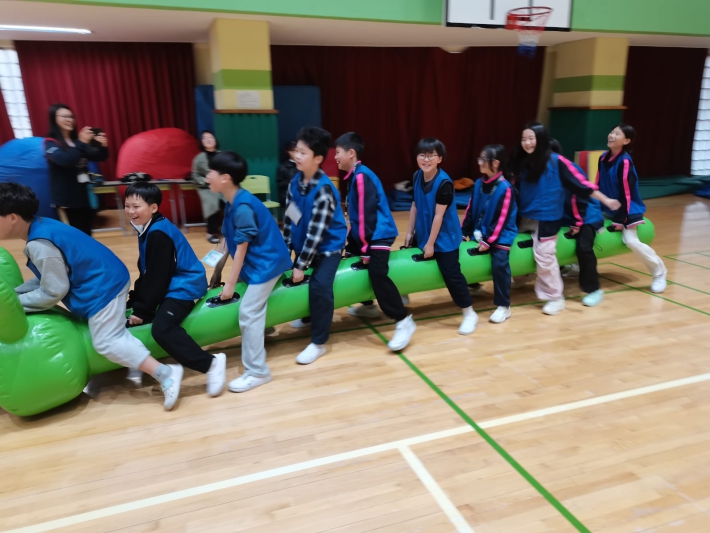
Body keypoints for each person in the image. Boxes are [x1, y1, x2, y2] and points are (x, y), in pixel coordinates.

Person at [0, 182, 182, 410]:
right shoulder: (41, 225)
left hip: (104, 285)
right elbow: (48, 276)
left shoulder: (39, 244)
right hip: (105, 277)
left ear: (13, 218)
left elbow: (53, 291)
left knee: (106, 342)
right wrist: (14, 294)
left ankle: (166, 373)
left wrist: (15, 305)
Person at [124, 182, 226, 396]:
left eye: (136, 206)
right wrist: (135, 301)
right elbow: (147, 271)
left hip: (185, 285)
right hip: (171, 282)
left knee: (162, 328)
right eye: (127, 206)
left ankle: (211, 364)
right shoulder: (146, 227)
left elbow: (158, 277)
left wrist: (143, 310)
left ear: (153, 208)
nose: (131, 211)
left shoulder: (158, 233)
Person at [507, 122, 621, 315]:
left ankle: (556, 297)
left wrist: (606, 200)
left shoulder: (557, 162)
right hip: (527, 215)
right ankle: (523, 276)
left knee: (546, 255)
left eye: (531, 138)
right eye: (524, 139)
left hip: (550, 218)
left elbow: (583, 186)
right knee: (513, 246)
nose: (527, 143)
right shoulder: (523, 162)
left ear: (541, 139)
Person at [208, 151, 293, 392]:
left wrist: (230, 283)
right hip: (256, 262)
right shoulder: (232, 201)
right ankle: (265, 328)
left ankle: (258, 371)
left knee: (247, 311)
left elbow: (242, 248)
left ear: (225, 178)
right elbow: (227, 239)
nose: (207, 176)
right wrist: (217, 272)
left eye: (211, 172)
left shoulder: (243, 206)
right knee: (251, 305)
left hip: (267, 263)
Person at [335, 132, 416, 351]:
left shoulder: (362, 176)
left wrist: (365, 249)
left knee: (377, 273)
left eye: (338, 152)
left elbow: (366, 216)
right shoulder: (354, 176)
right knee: (352, 260)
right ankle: (368, 305)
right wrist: (352, 242)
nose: (335, 157)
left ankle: (403, 320)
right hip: (365, 233)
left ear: (351, 153)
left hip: (379, 233)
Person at [283, 127, 348, 364]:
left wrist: (301, 265)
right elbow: (291, 219)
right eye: (297, 151)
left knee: (320, 286)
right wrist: (286, 250)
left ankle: (319, 343)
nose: (297, 156)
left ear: (318, 158)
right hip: (305, 243)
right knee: (294, 281)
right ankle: (309, 316)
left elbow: (316, 234)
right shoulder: (295, 183)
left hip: (327, 247)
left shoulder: (324, 191)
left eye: (303, 153)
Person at [405, 137, 477, 335]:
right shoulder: (417, 176)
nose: (426, 159)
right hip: (424, 231)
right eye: (422, 155)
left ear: (440, 159)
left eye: (431, 156)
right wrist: (410, 232)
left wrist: (430, 244)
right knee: (406, 259)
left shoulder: (444, 183)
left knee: (451, 274)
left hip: (445, 237)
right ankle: (403, 294)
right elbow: (414, 205)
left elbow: (439, 216)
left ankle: (469, 313)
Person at [597, 124, 667, 293]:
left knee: (630, 241)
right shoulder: (603, 157)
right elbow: (597, 183)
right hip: (607, 206)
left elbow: (626, 193)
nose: (611, 135)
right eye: (611, 132)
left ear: (626, 141)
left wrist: (620, 219)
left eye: (617, 134)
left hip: (628, 209)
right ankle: (574, 265)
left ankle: (659, 272)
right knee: (586, 227)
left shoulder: (625, 162)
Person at [461, 144, 517, 323]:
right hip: (480, 231)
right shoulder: (478, 183)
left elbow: (502, 218)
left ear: (496, 163)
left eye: (483, 159)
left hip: (501, 234)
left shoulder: (505, 188)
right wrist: (463, 232)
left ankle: (504, 306)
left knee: (500, 263)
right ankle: (474, 285)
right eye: (480, 158)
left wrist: (489, 240)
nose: (479, 162)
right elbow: (470, 209)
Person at [549, 139, 605, 307]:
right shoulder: (543, 171)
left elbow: (579, 198)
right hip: (564, 215)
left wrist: (577, 223)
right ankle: (565, 266)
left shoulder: (568, 169)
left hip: (586, 214)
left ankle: (594, 289)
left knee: (584, 247)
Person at [45, 103, 108, 236]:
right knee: (75, 235)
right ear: (54, 119)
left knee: (87, 232)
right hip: (67, 200)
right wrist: (82, 143)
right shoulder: (51, 142)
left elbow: (99, 156)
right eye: (64, 116)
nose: (69, 120)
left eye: (71, 117)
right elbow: (65, 160)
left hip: (83, 195)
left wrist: (103, 146)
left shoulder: (76, 141)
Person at [191, 131, 224, 244]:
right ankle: (211, 233)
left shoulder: (223, 155)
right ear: (202, 142)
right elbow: (194, 175)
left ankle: (229, 230)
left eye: (211, 137)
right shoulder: (198, 158)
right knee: (211, 204)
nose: (208, 139)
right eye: (205, 138)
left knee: (230, 203)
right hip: (207, 188)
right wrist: (204, 180)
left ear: (215, 140)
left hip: (222, 187)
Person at [277, 141, 298, 209]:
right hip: (288, 196)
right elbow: (280, 183)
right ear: (288, 152)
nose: (296, 154)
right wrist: (293, 182)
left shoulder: (303, 166)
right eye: (294, 151)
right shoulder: (283, 167)